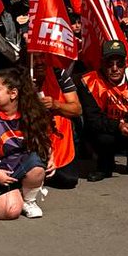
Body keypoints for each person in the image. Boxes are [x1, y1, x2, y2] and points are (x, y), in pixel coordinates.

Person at [0, 67, 55, 219]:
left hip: (14, 165)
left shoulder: (32, 112)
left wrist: (51, 157)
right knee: (10, 212)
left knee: (38, 164)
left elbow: (45, 138)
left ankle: (28, 200)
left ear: (13, 93)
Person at [78, 40, 128, 181]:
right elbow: (93, 119)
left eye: (119, 64)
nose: (115, 69)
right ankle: (104, 166)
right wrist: (118, 126)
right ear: (102, 63)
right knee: (100, 136)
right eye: (109, 64)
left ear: (126, 63)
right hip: (109, 131)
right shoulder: (91, 82)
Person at [33, 54, 83, 190]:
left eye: (42, 57)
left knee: (68, 180)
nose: (39, 62)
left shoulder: (58, 73)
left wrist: (56, 105)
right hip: (31, 134)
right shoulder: (18, 76)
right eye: (34, 58)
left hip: (57, 134)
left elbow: (77, 109)